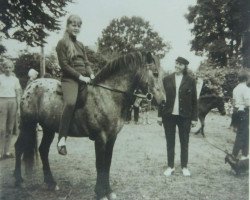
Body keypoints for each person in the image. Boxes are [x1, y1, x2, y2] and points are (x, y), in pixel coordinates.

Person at [56, 15, 95, 155]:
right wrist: (80, 77)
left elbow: (86, 63)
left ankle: (92, 130)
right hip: (70, 79)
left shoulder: (81, 45)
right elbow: (64, 65)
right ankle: (61, 139)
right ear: (67, 26)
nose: (76, 28)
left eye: (79, 25)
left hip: (84, 78)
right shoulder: (62, 43)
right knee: (71, 103)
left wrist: (91, 74)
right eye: (74, 25)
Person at [158, 56, 198, 177]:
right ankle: (170, 166)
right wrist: (160, 115)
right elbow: (161, 99)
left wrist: (194, 118)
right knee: (170, 142)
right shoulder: (166, 79)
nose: (177, 66)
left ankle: (184, 166)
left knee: (184, 142)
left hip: (185, 116)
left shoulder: (190, 80)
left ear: (185, 67)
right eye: (176, 63)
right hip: (168, 116)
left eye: (180, 64)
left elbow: (194, 100)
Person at [0, 60, 21, 159]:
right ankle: (0, 152)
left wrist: (18, 108)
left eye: (10, 67)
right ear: (2, 68)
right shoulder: (0, 78)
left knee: (9, 128)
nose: (8, 69)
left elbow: (18, 93)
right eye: (6, 67)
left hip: (13, 102)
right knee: (1, 129)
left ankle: (7, 152)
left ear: (12, 68)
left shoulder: (15, 80)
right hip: (2, 102)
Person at [231, 71, 249, 160]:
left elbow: (234, 103)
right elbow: (247, 103)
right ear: (246, 79)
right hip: (244, 112)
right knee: (241, 134)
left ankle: (245, 154)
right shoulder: (246, 89)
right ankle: (234, 154)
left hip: (237, 112)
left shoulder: (235, 89)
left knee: (245, 132)